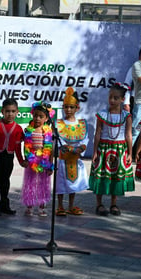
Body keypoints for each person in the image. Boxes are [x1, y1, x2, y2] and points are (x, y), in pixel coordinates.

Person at [89, 83, 134, 216]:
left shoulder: (126, 116)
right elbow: (97, 133)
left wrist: (130, 153)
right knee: (101, 175)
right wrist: (95, 151)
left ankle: (114, 203)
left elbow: (128, 135)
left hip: (119, 149)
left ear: (122, 99)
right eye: (110, 97)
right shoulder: (102, 114)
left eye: (115, 98)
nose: (112, 100)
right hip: (104, 148)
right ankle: (99, 203)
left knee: (115, 176)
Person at [55, 87, 89, 216]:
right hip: (64, 158)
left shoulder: (81, 124)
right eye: (66, 107)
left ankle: (70, 205)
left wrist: (81, 148)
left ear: (77, 108)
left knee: (73, 185)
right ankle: (59, 206)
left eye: (71, 107)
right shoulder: (59, 123)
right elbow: (59, 140)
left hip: (76, 158)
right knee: (61, 184)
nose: (68, 110)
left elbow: (85, 139)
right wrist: (68, 147)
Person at [0, 98, 25, 216]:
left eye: (13, 111)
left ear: (17, 112)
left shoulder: (18, 128)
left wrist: (21, 161)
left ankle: (5, 205)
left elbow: (18, 148)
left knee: (5, 182)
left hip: (9, 157)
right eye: (7, 111)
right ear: (2, 111)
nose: (10, 114)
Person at [21, 101, 54, 217]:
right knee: (30, 183)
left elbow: (50, 150)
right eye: (35, 115)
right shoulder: (29, 130)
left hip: (43, 161)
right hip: (31, 160)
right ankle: (29, 206)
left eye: (41, 116)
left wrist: (50, 165)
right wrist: (26, 159)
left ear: (46, 118)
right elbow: (26, 146)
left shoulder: (48, 132)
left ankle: (42, 206)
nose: (37, 118)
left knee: (43, 184)